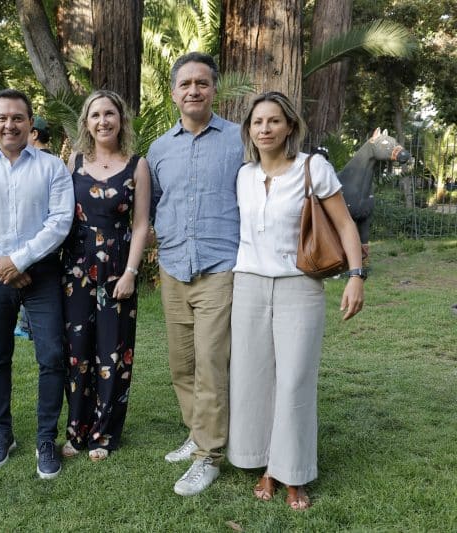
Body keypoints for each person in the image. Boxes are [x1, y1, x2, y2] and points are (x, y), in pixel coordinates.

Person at [227, 91, 364, 510]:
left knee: (294, 381)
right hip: (249, 286)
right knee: (253, 380)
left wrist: (356, 276)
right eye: (257, 122)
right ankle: (267, 465)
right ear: (249, 130)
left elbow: (345, 225)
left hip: (299, 287)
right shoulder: (244, 175)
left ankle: (294, 475)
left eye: (273, 121)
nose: (265, 129)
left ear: (289, 126)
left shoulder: (313, 168)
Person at [0, 88, 74, 480]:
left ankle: (45, 438)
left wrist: (19, 261)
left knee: (51, 356)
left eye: (17, 118)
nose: (10, 124)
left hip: (42, 274)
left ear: (30, 122)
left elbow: (60, 220)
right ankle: (1, 433)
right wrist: (1, 264)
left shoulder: (52, 168)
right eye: (2, 118)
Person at [146, 51, 243, 496]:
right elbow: (156, 203)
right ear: (173, 93)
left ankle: (209, 456)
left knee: (210, 363)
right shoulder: (159, 149)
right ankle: (197, 431)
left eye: (201, 83)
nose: (193, 90)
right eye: (185, 84)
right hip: (173, 268)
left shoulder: (239, 140)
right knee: (182, 364)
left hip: (220, 267)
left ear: (214, 90)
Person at [60, 90, 150, 462]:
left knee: (113, 352)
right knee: (77, 352)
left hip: (117, 268)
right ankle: (76, 431)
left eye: (109, 113)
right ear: (86, 122)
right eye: (95, 115)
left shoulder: (137, 166)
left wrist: (131, 272)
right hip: (77, 268)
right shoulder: (74, 161)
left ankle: (104, 434)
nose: (103, 121)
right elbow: (62, 216)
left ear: (121, 119)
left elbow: (141, 225)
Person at [14, 115, 54, 340]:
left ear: (34, 133)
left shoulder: (45, 164)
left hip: (39, 245)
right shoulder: (54, 160)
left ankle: (27, 326)